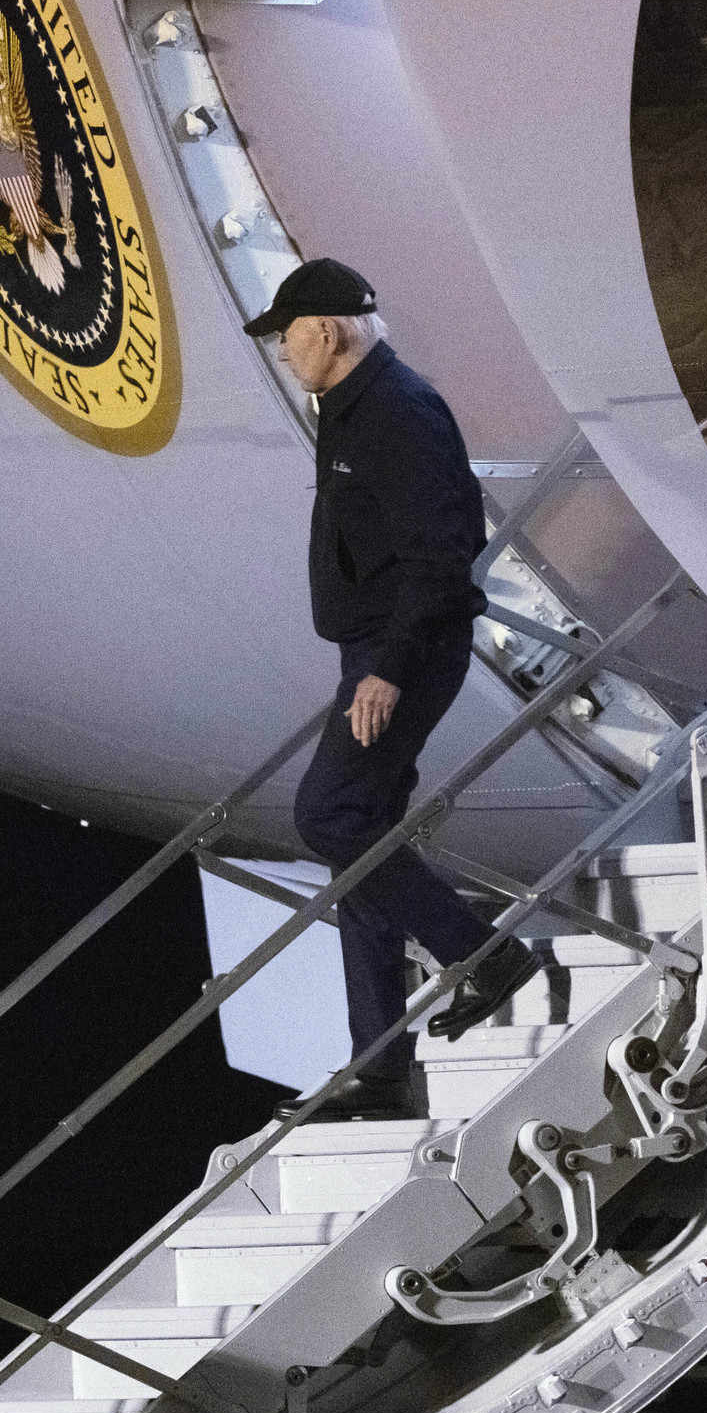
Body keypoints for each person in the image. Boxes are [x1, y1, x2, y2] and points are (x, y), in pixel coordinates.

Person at [244, 258, 541, 1121]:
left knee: (328, 815)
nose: (282, 353)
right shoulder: (350, 407)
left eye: (287, 337)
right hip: (373, 652)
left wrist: (388, 667)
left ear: (328, 333)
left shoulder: (398, 413)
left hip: (400, 656)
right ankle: (378, 1070)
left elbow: (441, 557)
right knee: (359, 843)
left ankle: (482, 956)